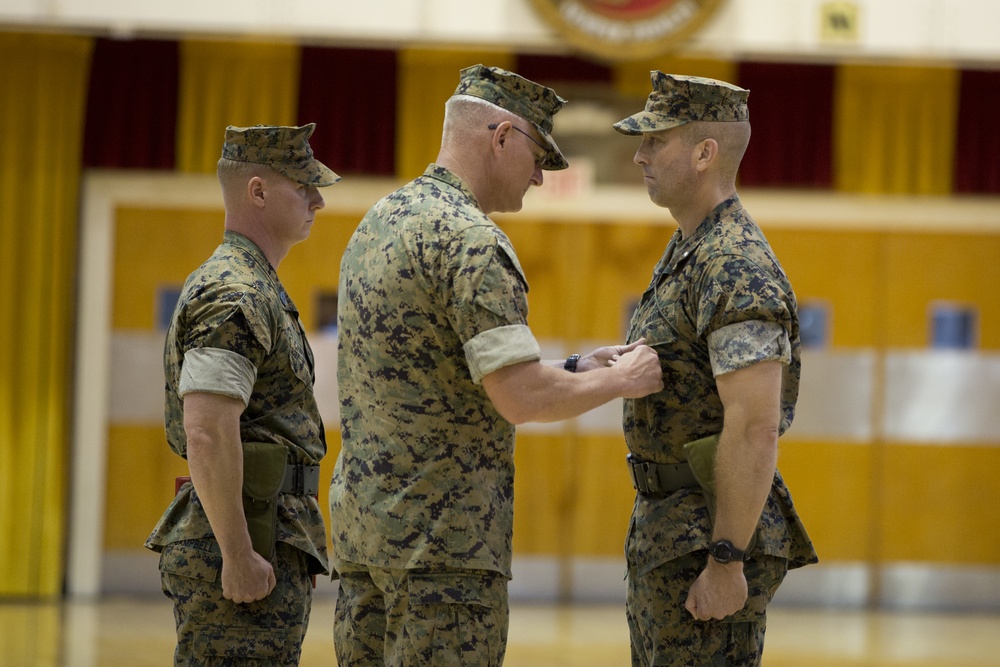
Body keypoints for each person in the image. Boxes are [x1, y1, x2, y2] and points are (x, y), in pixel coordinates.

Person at [329, 64, 664, 666]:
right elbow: (519, 398)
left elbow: (441, 370)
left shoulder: (379, 221)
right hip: (444, 555)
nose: (540, 176)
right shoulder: (472, 241)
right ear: (501, 136)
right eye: (538, 155)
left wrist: (576, 367)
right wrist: (621, 380)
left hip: (365, 540)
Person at [612, 72, 818, 666]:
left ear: (705, 153)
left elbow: (755, 425)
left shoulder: (734, 264)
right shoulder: (690, 247)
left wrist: (727, 559)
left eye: (656, 140)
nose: (639, 154)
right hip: (670, 532)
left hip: (705, 537)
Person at [145, 123, 340, 666]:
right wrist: (237, 553)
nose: (318, 200)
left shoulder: (257, 286)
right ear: (257, 191)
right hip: (242, 537)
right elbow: (205, 430)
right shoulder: (235, 291)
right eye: (304, 186)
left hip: (266, 529)